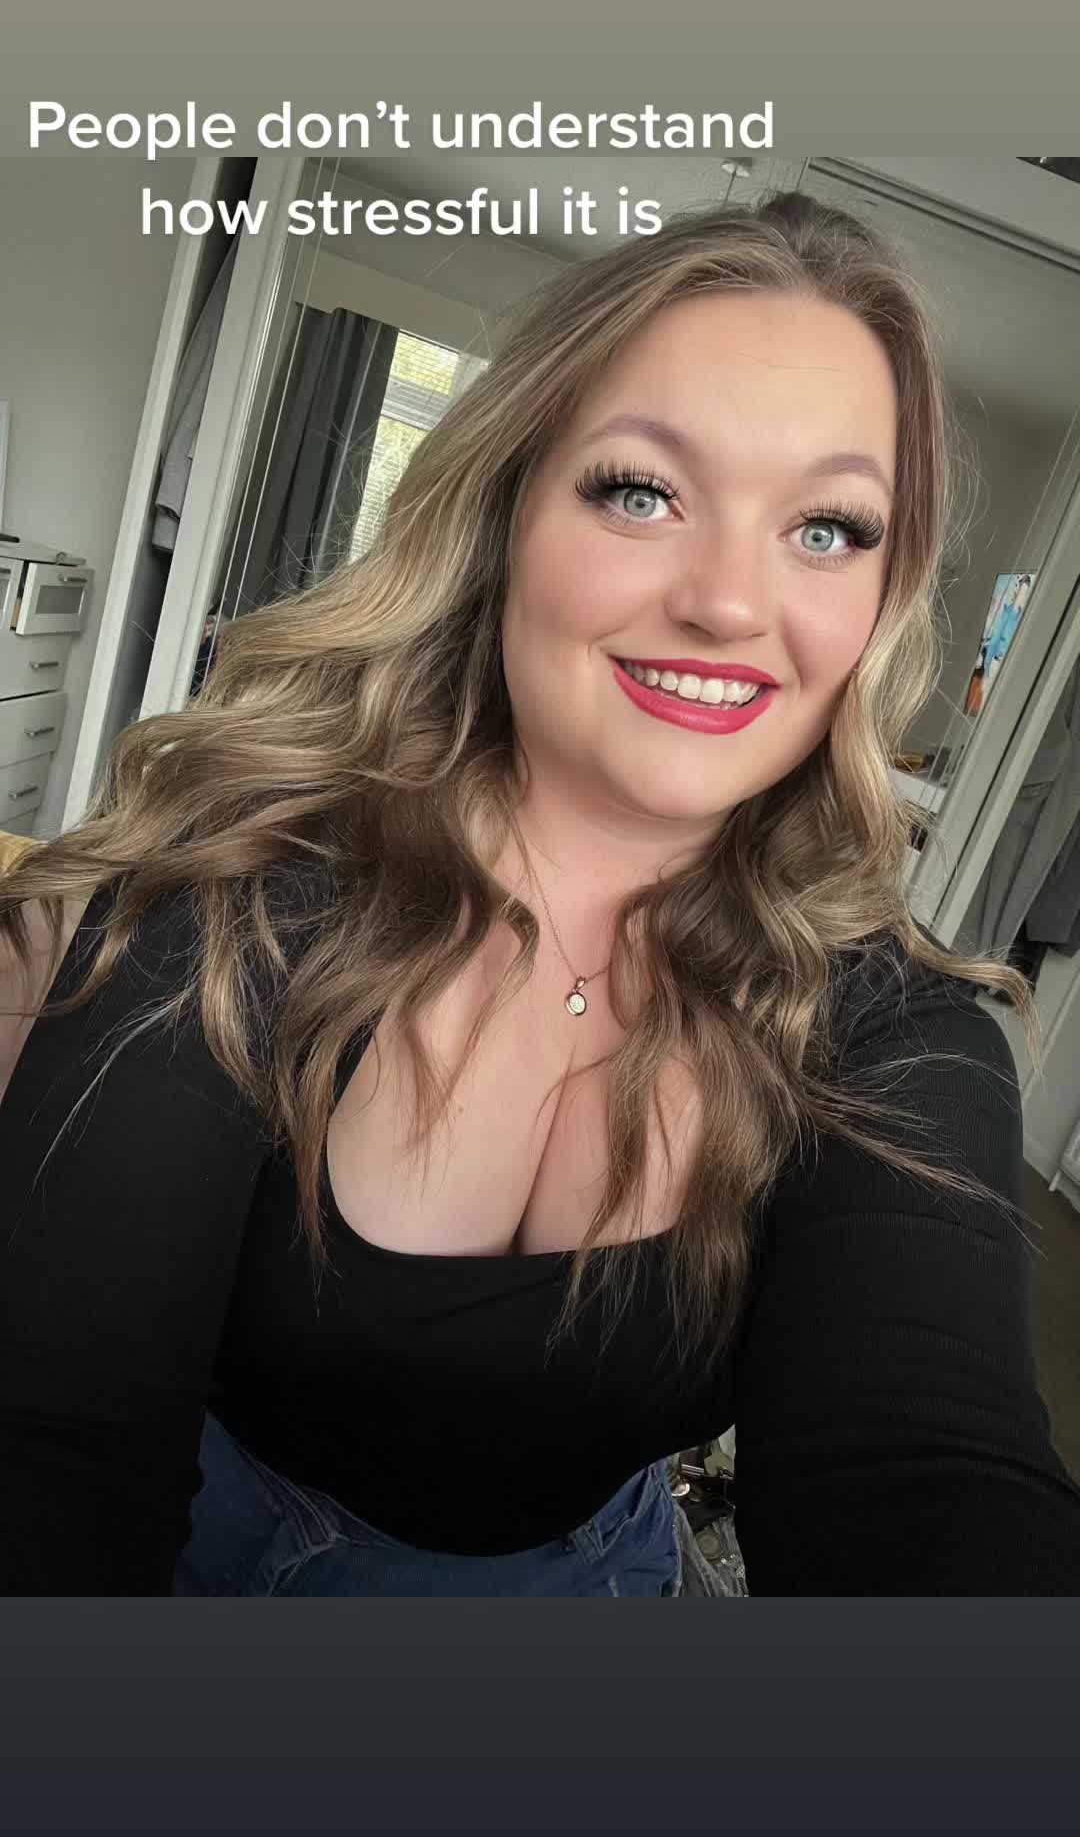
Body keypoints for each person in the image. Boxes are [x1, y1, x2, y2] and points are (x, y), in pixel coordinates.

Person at [3, 191, 1080, 1597]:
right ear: (506, 510)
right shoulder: (237, 890)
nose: (729, 604)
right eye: (642, 491)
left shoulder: (899, 1036)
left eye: (827, 528)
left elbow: (928, 1471)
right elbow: (52, 1441)